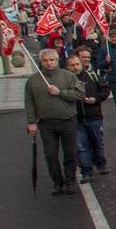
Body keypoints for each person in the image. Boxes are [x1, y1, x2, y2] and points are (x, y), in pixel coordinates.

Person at [25, 48, 84, 195]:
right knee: (50, 154)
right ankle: (57, 181)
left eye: (51, 60)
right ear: (41, 62)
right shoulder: (33, 80)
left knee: (70, 153)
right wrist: (31, 122)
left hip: (67, 120)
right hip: (46, 123)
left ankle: (70, 181)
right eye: (45, 60)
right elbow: (29, 102)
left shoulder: (68, 76)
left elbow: (80, 94)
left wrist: (60, 92)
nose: (49, 63)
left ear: (57, 61)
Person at [69, 48, 109, 183]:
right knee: (81, 146)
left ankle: (101, 164)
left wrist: (96, 99)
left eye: (77, 64)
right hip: (76, 118)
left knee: (98, 142)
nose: (75, 67)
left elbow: (104, 90)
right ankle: (86, 171)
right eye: (72, 65)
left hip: (94, 117)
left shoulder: (92, 76)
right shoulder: (67, 79)